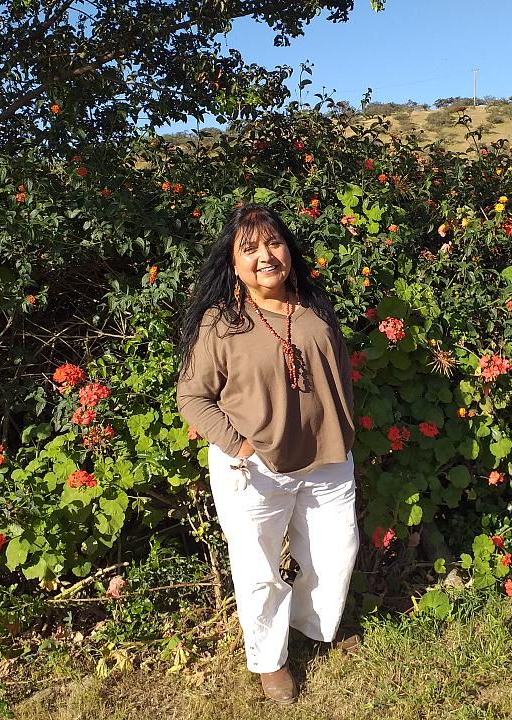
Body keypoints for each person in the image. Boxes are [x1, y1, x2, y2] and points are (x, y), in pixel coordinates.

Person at [176, 204, 359, 704]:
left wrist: (341, 426)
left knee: (335, 552)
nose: (265, 256)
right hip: (251, 467)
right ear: (233, 264)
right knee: (258, 570)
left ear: (289, 250)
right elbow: (191, 397)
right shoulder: (221, 324)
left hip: (327, 457)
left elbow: (338, 370)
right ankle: (269, 661)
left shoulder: (314, 305)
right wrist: (238, 446)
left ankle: (306, 627)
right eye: (249, 248)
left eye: (273, 243)